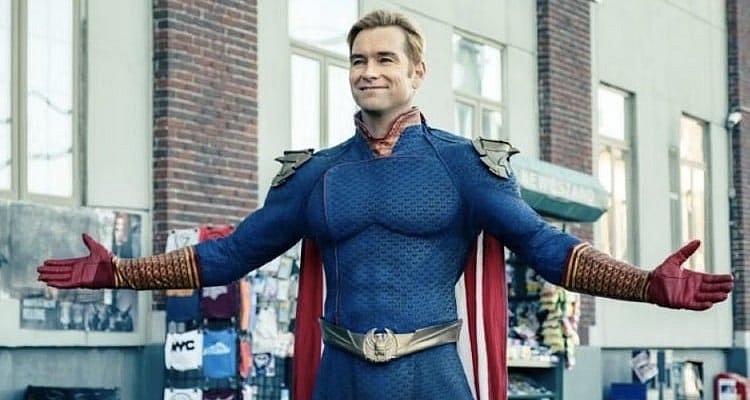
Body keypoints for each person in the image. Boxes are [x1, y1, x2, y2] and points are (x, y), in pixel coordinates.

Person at [37, 9, 733, 400]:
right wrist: (120, 273)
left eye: (384, 59)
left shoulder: (464, 165)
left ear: (416, 72)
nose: (368, 71)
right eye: (358, 60)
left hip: (431, 376)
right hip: (339, 375)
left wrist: (646, 285)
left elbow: (546, 249)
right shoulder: (317, 175)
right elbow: (231, 255)